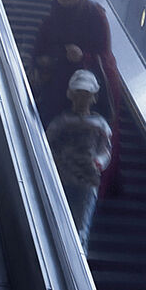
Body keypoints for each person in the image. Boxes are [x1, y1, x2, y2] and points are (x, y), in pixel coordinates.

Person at [32, 0, 122, 191]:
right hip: (60, 87)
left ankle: (94, 178)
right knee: (56, 124)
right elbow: (38, 53)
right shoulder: (50, 22)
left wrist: (84, 56)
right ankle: (51, 172)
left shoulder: (95, 15)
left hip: (92, 84)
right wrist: (55, 57)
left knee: (98, 129)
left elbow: (105, 51)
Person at [45, 70, 113, 249]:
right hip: (62, 178)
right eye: (78, 94)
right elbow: (48, 145)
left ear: (94, 97)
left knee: (82, 225)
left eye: (86, 95)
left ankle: (78, 254)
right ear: (70, 94)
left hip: (87, 181)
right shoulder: (61, 122)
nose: (82, 99)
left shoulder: (100, 124)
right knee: (58, 218)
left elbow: (105, 150)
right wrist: (56, 161)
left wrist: (97, 163)